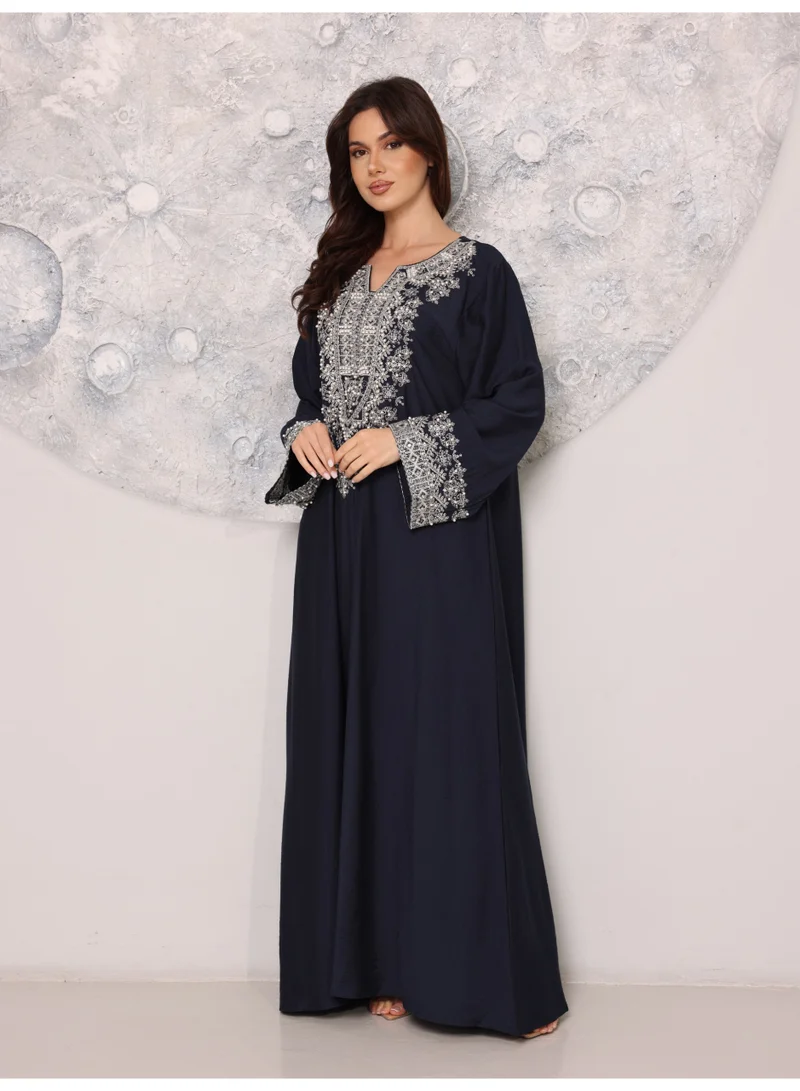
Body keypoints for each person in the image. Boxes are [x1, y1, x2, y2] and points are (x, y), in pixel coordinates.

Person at [264, 75, 568, 1040]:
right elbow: (313, 395)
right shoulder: (339, 278)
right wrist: (306, 430)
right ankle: (375, 959)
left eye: (390, 144)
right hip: (342, 545)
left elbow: (517, 401)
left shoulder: (479, 273)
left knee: (444, 738)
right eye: (358, 151)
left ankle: (468, 971)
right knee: (355, 733)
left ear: (428, 150)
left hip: (435, 542)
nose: (376, 165)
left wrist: (404, 441)